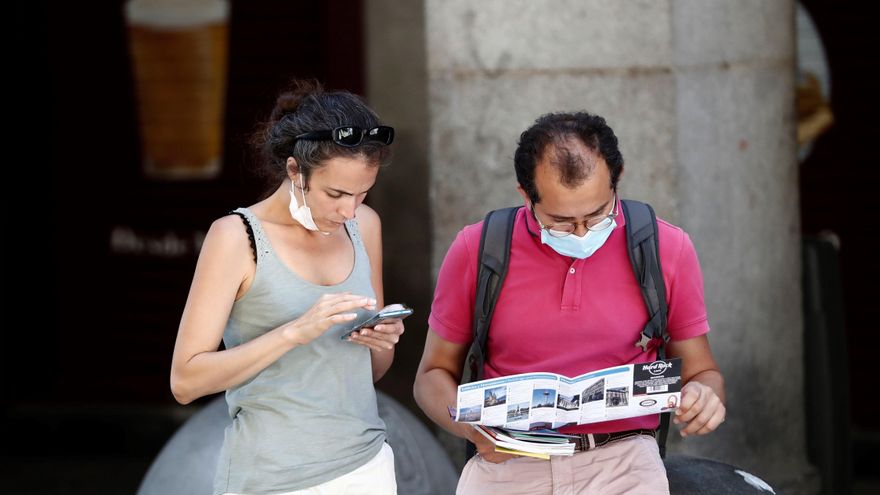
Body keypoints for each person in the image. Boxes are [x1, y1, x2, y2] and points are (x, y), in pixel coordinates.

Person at [413, 112, 726, 494]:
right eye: (560, 221)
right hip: (508, 465)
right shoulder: (478, 249)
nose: (582, 233)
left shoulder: (666, 248)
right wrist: (474, 431)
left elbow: (703, 373)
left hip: (625, 466)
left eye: (597, 215)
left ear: (618, 178)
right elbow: (431, 377)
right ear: (525, 195)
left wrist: (704, 398)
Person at [170, 80, 404, 495]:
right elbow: (186, 381)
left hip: (367, 464)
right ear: (295, 171)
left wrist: (382, 340)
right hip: (271, 477)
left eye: (362, 193)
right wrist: (293, 332)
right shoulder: (235, 237)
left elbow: (369, 373)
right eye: (335, 193)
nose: (349, 209)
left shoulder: (364, 225)